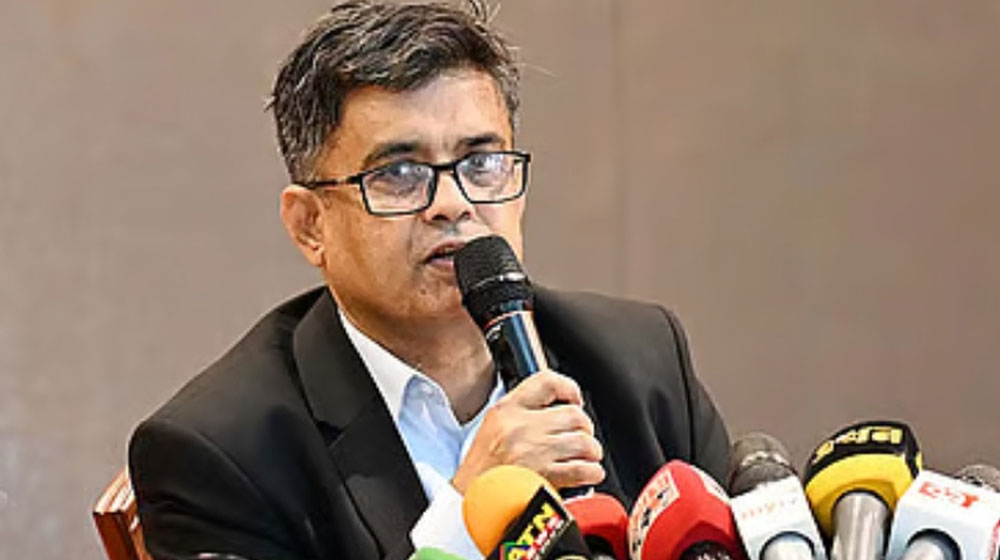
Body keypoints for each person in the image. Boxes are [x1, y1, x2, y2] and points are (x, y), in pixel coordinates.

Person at [128, 1, 730, 559]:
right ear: (310, 225)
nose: (453, 203)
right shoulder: (219, 452)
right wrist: (467, 515)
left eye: (481, 162)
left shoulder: (640, 359)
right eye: (399, 173)